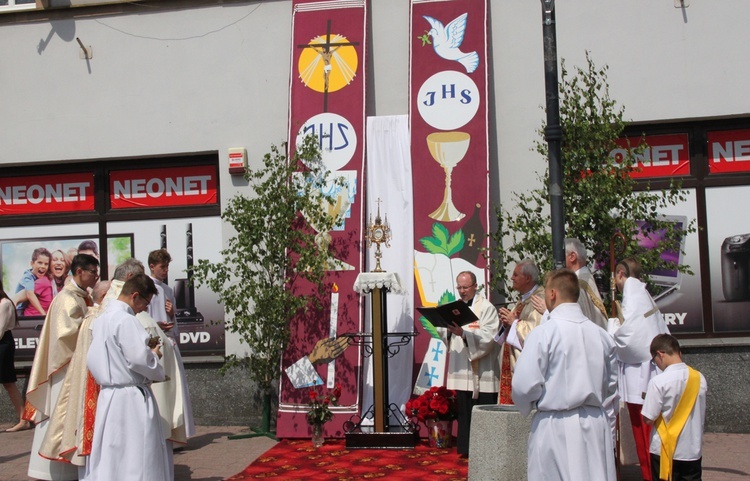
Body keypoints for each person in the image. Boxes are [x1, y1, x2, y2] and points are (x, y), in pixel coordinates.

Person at [512, 269, 618, 481]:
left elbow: (523, 385)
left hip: (554, 424)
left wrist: (529, 405)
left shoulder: (543, 333)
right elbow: (611, 385)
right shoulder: (602, 336)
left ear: (552, 294)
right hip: (595, 423)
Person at [83, 273, 170, 481]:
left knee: (113, 452)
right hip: (131, 397)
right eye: (145, 303)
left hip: (109, 395)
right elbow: (139, 360)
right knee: (137, 452)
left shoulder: (101, 319)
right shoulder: (126, 320)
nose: (145, 308)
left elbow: (92, 359)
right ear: (135, 296)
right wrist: (154, 355)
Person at [25, 254, 99, 480]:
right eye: (92, 272)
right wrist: (94, 317)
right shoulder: (67, 298)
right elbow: (65, 337)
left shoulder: (80, 296)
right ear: (79, 272)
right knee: (60, 416)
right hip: (64, 369)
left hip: (75, 367)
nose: (96, 276)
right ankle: (52, 471)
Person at [613, 257, 671, 481]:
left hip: (640, 373)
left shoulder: (632, 292)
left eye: (615, 279)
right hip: (644, 369)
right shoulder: (640, 291)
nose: (615, 284)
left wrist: (613, 331)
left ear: (620, 274)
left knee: (644, 430)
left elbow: (632, 338)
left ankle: (651, 475)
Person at [437, 271, 500, 457]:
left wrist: (464, 334)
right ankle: (465, 449)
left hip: (483, 373)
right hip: (461, 370)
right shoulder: (454, 307)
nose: (462, 291)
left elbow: (490, 337)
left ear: (475, 286)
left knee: (482, 413)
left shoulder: (486, 308)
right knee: (464, 412)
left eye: (465, 287)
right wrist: (445, 328)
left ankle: (485, 451)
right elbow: (443, 331)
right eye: (459, 287)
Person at [642, 334, 707, 481]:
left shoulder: (658, 381)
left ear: (660, 354)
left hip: (664, 450)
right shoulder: (699, 378)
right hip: (692, 448)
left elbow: (648, 419)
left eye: (654, 361)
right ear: (679, 353)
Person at [147, 248, 196, 440]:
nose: (165, 270)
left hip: (169, 341)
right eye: (162, 267)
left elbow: (173, 322)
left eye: (167, 266)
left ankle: (176, 432)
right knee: (161, 388)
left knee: (175, 388)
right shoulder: (146, 287)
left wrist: (173, 314)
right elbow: (142, 316)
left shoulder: (167, 290)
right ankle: (162, 430)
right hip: (154, 344)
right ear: (152, 266)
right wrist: (156, 324)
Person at [496, 259, 544, 404]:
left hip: (528, 368)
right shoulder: (523, 301)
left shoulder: (539, 300)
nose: (512, 278)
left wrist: (514, 323)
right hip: (513, 363)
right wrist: (507, 324)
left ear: (528, 278)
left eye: (516, 275)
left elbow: (536, 334)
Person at [1, 282, 31, 432]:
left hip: (3, 344)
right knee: (8, 382)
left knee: (8, 381)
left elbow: (0, 330)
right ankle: (23, 418)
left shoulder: (4, 303)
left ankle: (23, 419)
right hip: (3, 342)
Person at [565, 237, 608, 329]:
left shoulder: (577, 284)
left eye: (561, 256)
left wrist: (548, 311)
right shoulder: (585, 277)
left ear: (572, 257)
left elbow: (573, 319)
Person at [14, 247, 52, 316]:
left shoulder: (40, 278)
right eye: (40, 263)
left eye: (46, 264)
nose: (43, 266)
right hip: (19, 310)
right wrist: (43, 313)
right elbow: (30, 294)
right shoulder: (28, 277)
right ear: (32, 263)